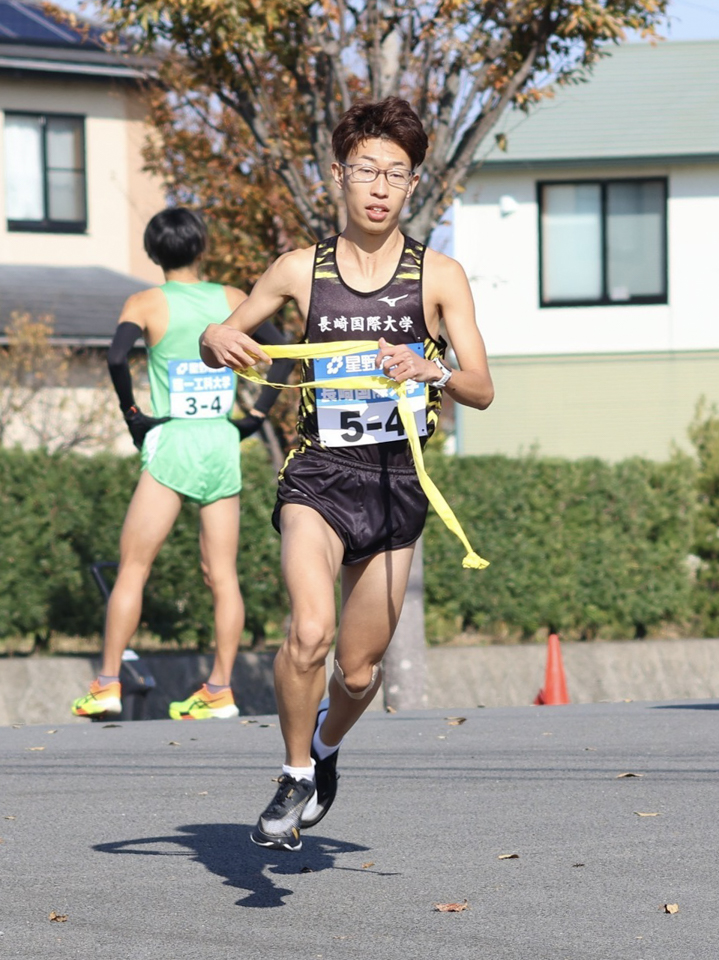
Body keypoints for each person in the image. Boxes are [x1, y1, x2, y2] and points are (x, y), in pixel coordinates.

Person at [199, 97, 494, 849]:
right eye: (366, 169)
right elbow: (224, 332)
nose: (379, 186)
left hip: (396, 485)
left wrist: (431, 369)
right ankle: (293, 772)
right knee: (309, 632)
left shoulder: (440, 276)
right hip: (319, 477)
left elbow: (482, 388)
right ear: (338, 174)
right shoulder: (300, 270)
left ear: (412, 185)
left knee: (357, 673)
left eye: (396, 174)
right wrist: (213, 338)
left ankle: (326, 750)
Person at [71, 207, 294, 721]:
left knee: (133, 567)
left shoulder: (144, 301)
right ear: (202, 248)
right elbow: (284, 353)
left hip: (171, 439)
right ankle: (219, 690)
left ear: (153, 252)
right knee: (223, 576)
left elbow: (114, 357)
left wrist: (133, 416)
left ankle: (106, 685)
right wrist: (255, 416)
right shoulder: (233, 299)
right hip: (220, 440)